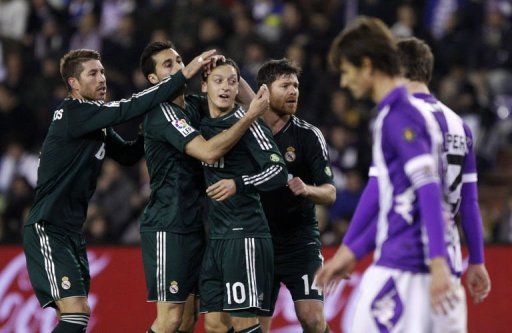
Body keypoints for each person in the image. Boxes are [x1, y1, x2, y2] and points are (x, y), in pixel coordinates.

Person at [22, 47, 215, 333]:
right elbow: (126, 108)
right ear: (74, 83)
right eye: (92, 74)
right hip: (48, 226)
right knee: (76, 313)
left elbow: (126, 155)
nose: (101, 79)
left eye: (102, 72)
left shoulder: (93, 121)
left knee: (76, 314)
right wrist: (180, 77)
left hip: (71, 230)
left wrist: (150, 129)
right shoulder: (73, 112)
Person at [315, 17, 458, 332]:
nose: (343, 83)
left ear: (366, 66)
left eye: (346, 71)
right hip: (402, 259)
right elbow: (398, 200)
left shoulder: (399, 117)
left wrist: (437, 264)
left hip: (407, 266)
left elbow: (429, 189)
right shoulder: (398, 112)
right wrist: (351, 252)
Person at [138, 41, 271, 333]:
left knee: (188, 320)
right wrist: (249, 116)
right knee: (170, 319)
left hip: (198, 224)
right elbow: (210, 152)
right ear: (153, 80)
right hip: (168, 225)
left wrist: (230, 70)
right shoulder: (162, 112)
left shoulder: (194, 104)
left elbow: (254, 107)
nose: (178, 67)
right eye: (168, 65)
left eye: (179, 60)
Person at [199, 58, 288, 333]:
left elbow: (278, 171)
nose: (226, 87)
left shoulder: (248, 123)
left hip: (244, 233)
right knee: (214, 324)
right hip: (215, 237)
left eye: (232, 81)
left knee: (244, 322)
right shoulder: (200, 125)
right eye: (218, 81)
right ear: (204, 87)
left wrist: (240, 183)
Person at [255, 59, 336, 333]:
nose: (293, 91)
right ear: (265, 91)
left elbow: (330, 192)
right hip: (258, 243)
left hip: (299, 243)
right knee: (258, 328)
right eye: (285, 85)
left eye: (296, 86)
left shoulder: (308, 135)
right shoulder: (249, 132)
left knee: (312, 318)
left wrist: (308, 189)